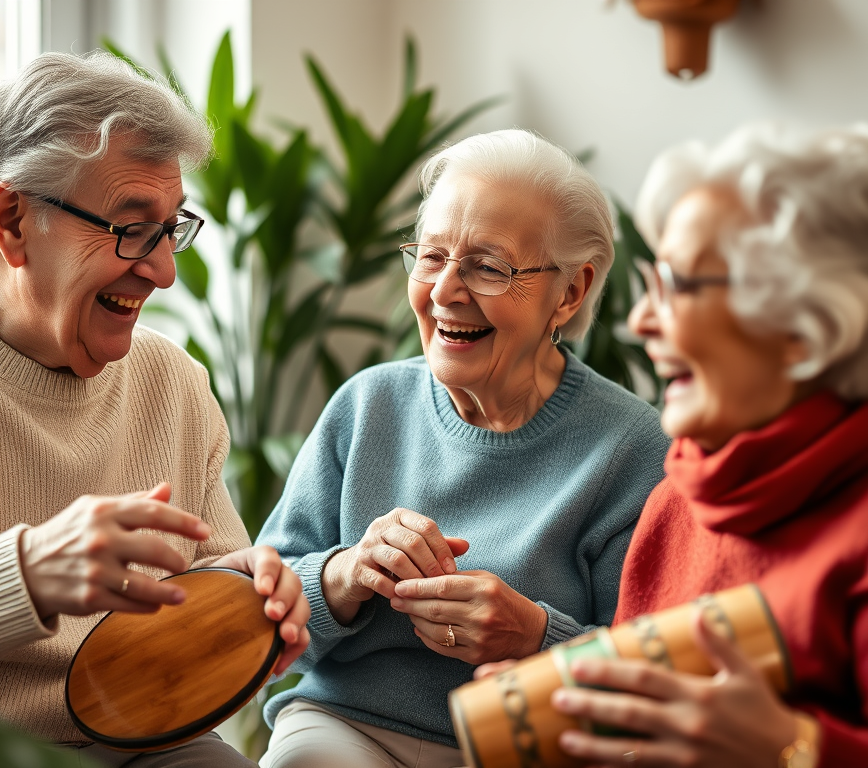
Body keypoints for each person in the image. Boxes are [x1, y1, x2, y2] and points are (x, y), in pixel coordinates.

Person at [0, 51, 310, 768]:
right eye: (130, 227)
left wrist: (252, 601)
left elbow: (209, 579)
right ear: (12, 221)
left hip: (149, 746)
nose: (162, 269)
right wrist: (26, 573)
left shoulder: (172, 380)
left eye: (169, 227)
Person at [254, 129, 670, 768]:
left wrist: (535, 636)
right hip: (347, 729)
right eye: (431, 256)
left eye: (489, 265)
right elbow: (259, 620)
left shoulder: (631, 449)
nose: (446, 290)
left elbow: (655, 675)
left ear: (571, 291)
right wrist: (347, 574)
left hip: (520, 748)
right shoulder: (368, 405)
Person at [535, 123, 868, 767]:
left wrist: (792, 750)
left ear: (805, 326)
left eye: (678, 285)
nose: (640, 321)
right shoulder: (678, 499)